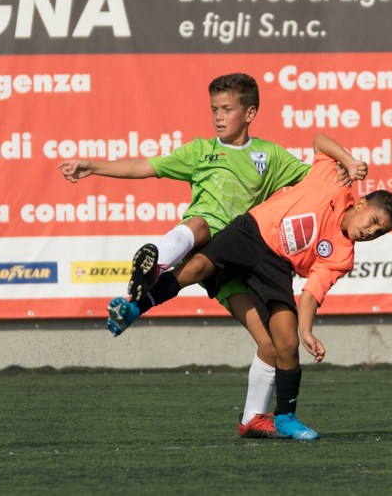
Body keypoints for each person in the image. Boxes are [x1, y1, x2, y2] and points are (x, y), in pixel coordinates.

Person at [59, 73, 354, 440]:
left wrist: (341, 170)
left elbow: (312, 180)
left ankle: (252, 419)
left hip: (247, 255)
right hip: (209, 247)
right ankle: (157, 262)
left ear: (250, 113)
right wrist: (93, 166)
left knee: (269, 344)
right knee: (199, 225)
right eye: (214, 109)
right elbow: (144, 167)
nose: (218, 116)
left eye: (226, 109)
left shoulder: (270, 155)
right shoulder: (200, 151)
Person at [108, 133, 392, 439]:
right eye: (373, 220)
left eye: (379, 232)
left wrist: (306, 331)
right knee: (196, 267)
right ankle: (135, 307)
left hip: (276, 267)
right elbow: (319, 141)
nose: (371, 231)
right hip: (250, 232)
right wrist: (350, 161)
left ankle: (285, 417)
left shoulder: (342, 256)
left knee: (286, 342)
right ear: (361, 203)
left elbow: (310, 294)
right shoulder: (335, 182)